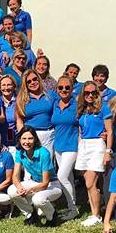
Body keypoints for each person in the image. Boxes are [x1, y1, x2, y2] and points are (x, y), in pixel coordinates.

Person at [75, 81, 114, 227]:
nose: (90, 95)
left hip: (97, 145)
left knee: (91, 183)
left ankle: (97, 215)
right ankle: (94, 213)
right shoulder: (81, 109)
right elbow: (80, 131)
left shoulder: (103, 108)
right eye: (87, 93)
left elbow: (109, 131)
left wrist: (107, 151)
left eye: (93, 92)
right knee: (88, 184)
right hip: (84, 145)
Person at [9, 126, 62, 227]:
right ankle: (31, 214)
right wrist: (19, 187)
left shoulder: (43, 153)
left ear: (35, 139)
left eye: (30, 138)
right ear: (19, 140)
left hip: (52, 184)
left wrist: (28, 191)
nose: (27, 142)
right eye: (24, 138)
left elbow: (45, 183)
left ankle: (52, 216)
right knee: (12, 191)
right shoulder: (20, 152)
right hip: (35, 182)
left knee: (38, 199)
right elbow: (15, 176)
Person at [51, 76, 80, 221]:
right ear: (56, 89)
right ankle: (71, 207)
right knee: (68, 177)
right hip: (58, 146)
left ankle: (73, 208)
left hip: (72, 146)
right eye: (60, 87)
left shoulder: (77, 105)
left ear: (72, 88)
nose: (64, 90)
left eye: (67, 87)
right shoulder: (55, 103)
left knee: (61, 177)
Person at [15, 69, 55, 154]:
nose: (32, 82)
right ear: (25, 84)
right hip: (31, 135)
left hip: (49, 135)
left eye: (34, 79)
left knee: (47, 164)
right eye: (29, 81)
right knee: (32, 164)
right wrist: (24, 136)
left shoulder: (50, 94)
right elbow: (19, 121)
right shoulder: (21, 99)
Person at [0, 75, 18, 151]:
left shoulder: (18, 102)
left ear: (14, 86)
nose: (6, 88)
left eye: (9, 85)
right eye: (3, 85)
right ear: (0, 87)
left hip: (15, 142)